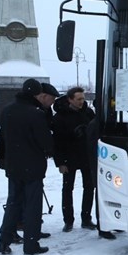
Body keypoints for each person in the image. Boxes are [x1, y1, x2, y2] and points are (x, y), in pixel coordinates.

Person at [0, 78, 53, 255]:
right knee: (32, 206)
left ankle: (4, 241)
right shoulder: (36, 113)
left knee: (13, 203)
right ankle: (31, 245)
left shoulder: (7, 111)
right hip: (33, 166)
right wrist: (51, 149)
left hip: (13, 166)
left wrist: (1, 157)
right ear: (37, 94)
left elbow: (2, 137)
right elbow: (45, 142)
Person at [52, 87, 97, 232]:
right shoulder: (60, 117)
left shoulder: (88, 113)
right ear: (70, 99)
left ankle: (86, 218)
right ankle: (68, 220)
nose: (81, 102)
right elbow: (57, 142)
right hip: (68, 158)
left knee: (89, 188)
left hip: (86, 157)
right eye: (78, 99)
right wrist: (60, 162)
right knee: (67, 189)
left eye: (83, 99)